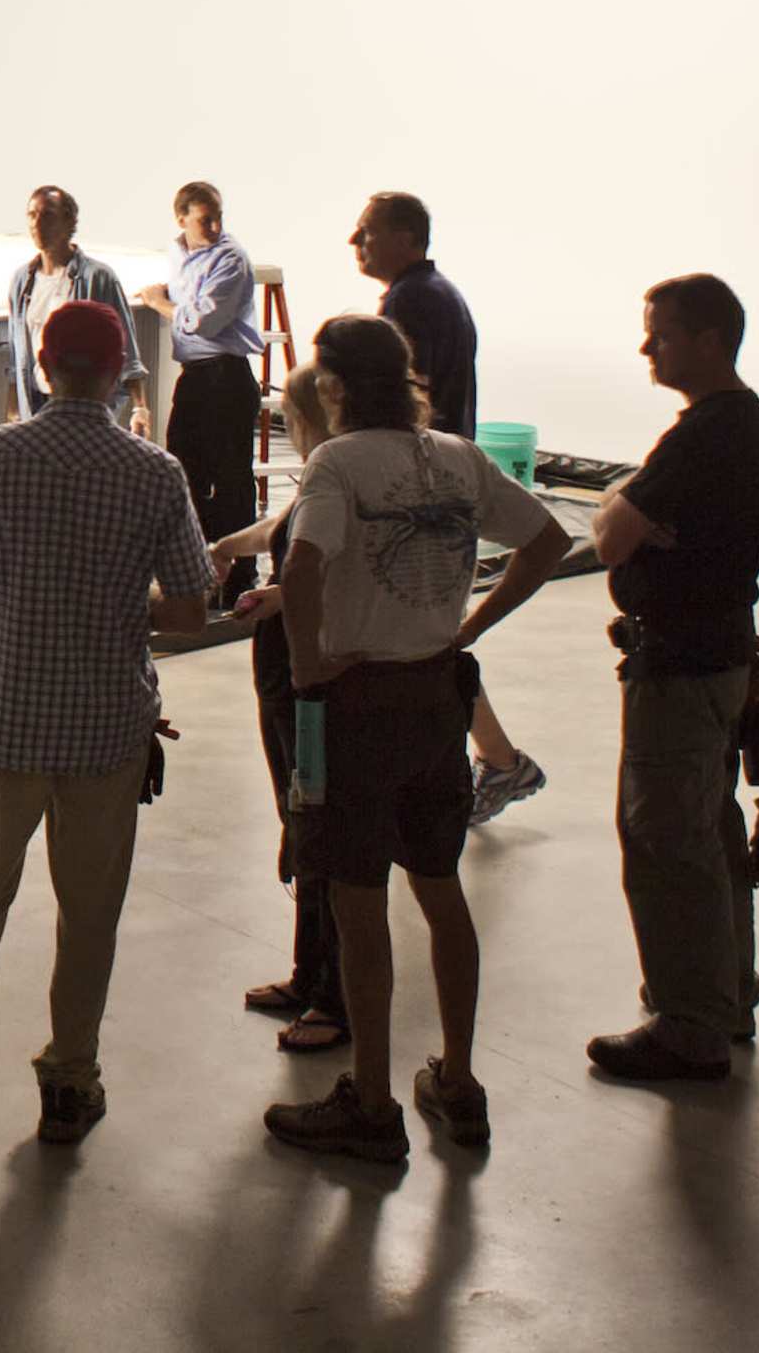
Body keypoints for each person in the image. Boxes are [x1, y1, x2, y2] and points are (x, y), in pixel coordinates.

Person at [252, 314, 571, 1161]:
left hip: (356, 703)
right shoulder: (459, 458)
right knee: (440, 889)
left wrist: (311, 666)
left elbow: (304, 565)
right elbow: (548, 540)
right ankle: (459, 1081)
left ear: (333, 387)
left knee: (359, 909)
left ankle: (374, 1100)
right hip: (436, 698)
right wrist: (470, 626)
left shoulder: (338, 462)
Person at [0, 298, 214, 1148]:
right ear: (120, 375)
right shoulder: (157, 473)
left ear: (43, 368)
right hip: (108, 732)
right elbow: (188, 610)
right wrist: (121, 599)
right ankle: (70, 1084)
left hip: (2, 722)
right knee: (90, 915)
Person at [587, 274, 759, 1084]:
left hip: (682, 667)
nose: (646, 347)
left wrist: (630, 517)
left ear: (709, 340)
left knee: (666, 840)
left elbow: (606, 535)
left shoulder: (707, 433)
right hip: (714, 659)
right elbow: (623, 520)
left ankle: (690, 1023)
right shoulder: (737, 425)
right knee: (706, 834)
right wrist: (629, 514)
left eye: (660, 334)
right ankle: (723, 997)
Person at [349, 191, 546, 824]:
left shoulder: (411, 302)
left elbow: (412, 395)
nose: (356, 242)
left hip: (422, 497)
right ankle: (496, 759)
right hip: (435, 492)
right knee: (436, 640)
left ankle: (488, 764)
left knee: (429, 645)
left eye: (368, 232)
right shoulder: (435, 293)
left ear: (406, 237)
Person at [214, 364, 351, 1057]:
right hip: (284, 675)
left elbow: (320, 568)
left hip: (307, 676)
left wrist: (273, 597)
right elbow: (285, 530)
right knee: (300, 823)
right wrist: (227, 546)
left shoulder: (344, 471)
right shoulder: (327, 471)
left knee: (317, 825)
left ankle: (334, 992)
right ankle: (310, 973)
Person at [133, 182, 262, 545]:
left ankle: (239, 571)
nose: (216, 228)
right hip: (196, 377)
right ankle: (200, 563)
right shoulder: (178, 254)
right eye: (206, 220)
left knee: (231, 479)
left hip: (226, 375)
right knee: (184, 471)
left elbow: (205, 321)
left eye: (218, 218)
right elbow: (187, 298)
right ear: (181, 220)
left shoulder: (230, 258)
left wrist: (159, 303)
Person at [3, 185, 133, 421]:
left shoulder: (98, 277)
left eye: (48, 215)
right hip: (36, 401)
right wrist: (13, 408)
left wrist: (139, 408)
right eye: (32, 215)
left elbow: (127, 350)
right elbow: (16, 353)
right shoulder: (22, 281)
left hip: (83, 402)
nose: (37, 223)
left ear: (69, 222)